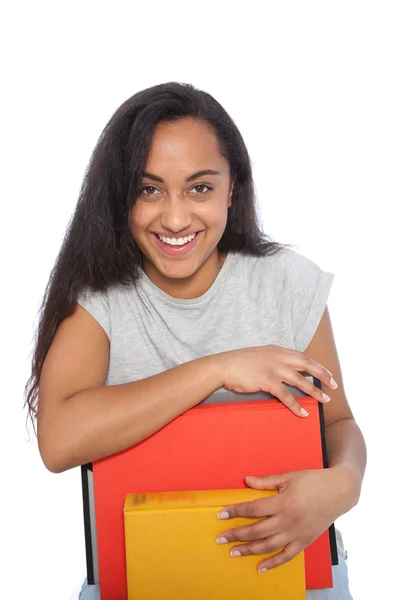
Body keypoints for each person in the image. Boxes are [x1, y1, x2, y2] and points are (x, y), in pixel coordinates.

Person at [25, 82, 366, 599]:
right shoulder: (99, 300)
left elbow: (337, 422)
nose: (176, 217)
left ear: (233, 189)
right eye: (149, 189)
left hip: (289, 573)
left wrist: (345, 484)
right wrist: (216, 369)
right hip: (142, 578)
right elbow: (59, 440)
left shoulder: (287, 283)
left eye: (200, 188)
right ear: (121, 196)